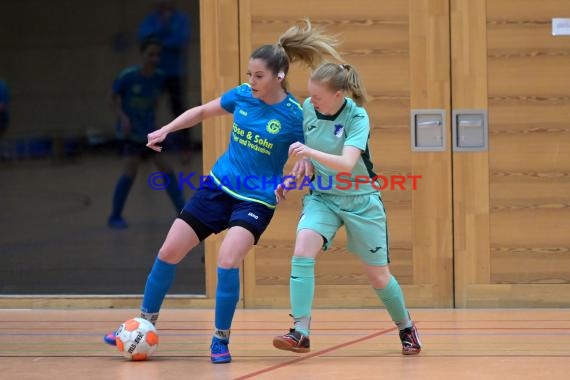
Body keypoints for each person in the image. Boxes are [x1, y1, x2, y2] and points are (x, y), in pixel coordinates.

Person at [103, 20, 342, 363]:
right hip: (217, 188)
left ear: (278, 76)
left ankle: (220, 340)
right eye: (249, 74)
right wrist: (166, 130)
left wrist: (298, 174)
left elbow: (313, 155)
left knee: (227, 260)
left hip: (257, 199)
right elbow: (202, 112)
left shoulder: (295, 115)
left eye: (258, 76)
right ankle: (142, 323)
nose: (251, 81)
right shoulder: (243, 96)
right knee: (169, 250)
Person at [272, 62, 422, 355]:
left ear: (338, 94)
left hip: (361, 202)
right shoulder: (308, 109)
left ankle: (406, 327)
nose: (311, 101)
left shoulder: (357, 117)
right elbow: (308, 159)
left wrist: (308, 152)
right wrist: (292, 178)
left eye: (317, 97)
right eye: (310, 95)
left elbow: (346, 163)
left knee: (379, 277)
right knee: (302, 250)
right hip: (323, 198)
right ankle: (300, 331)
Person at [107, 37, 186, 229]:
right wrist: (123, 117)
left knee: (167, 170)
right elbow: (111, 99)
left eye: (158, 55)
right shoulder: (128, 76)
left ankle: (184, 214)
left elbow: (158, 101)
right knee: (130, 172)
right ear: (142, 55)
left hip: (150, 134)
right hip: (131, 135)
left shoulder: (159, 77)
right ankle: (115, 216)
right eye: (151, 54)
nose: (154, 58)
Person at [138, 0, 192, 158]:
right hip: (154, 72)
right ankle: (146, 147)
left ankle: (185, 149)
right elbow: (144, 38)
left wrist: (159, 39)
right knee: (148, 108)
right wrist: (163, 28)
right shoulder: (152, 19)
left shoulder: (180, 19)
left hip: (175, 71)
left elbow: (180, 41)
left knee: (179, 110)